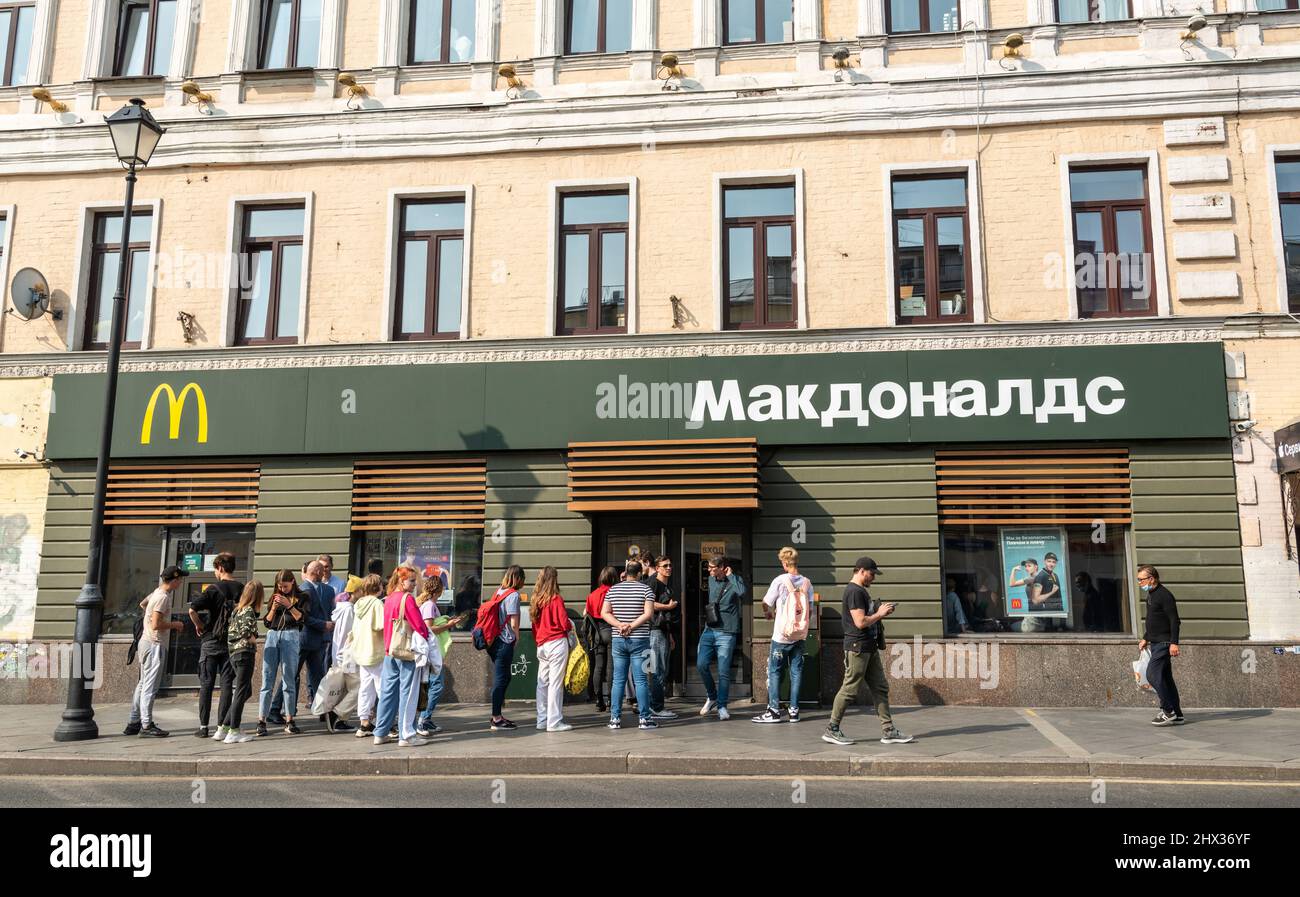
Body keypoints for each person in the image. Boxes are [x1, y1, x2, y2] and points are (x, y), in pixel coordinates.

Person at [823, 557, 914, 747]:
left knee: (880, 687)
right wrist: (879, 614)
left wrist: (879, 611)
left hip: (868, 647)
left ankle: (888, 730)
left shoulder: (860, 591)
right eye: (872, 574)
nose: (873, 577)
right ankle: (832, 729)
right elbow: (860, 622)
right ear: (862, 570)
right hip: (858, 648)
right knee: (850, 689)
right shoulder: (855, 592)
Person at [269, 560, 340, 730]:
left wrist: (327, 629)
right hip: (302, 638)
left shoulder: (328, 590)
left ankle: (324, 710)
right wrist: (324, 625)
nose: (324, 571)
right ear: (315, 571)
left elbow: (327, 612)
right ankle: (274, 709)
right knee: (291, 675)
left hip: (318, 640)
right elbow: (303, 617)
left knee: (319, 676)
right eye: (321, 569)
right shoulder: (302, 590)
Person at [124, 566, 189, 737]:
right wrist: (175, 624)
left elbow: (142, 604)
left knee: (142, 684)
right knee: (150, 687)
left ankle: (133, 722)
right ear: (174, 580)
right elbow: (156, 625)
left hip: (145, 642)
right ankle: (146, 725)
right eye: (180, 579)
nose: (181, 582)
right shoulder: (162, 598)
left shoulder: (156, 593)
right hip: (154, 644)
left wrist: (149, 617)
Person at [374, 565, 432, 747]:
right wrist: (427, 639)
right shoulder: (407, 599)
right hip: (406, 652)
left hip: (390, 650)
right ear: (401, 580)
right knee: (408, 693)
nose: (415, 585)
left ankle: (380, 733)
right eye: (412, 581)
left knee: (387, 694)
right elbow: (420, 626)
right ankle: (406, 736)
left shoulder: (389, 598)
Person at [753, 547, 811, 724]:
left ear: (785, 563)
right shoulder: (807, 583)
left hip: (781, 636)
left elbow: (766, 602)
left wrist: (768, 613)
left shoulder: (780, 580)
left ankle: (774, 711)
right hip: (799, 635)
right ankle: (794, 711)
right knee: (796, 672)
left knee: (775, 671)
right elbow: (810, 609)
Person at [189, 551, 241, 740]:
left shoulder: (212, 588)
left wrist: (199, 625)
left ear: (220, 567)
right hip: (231, 642)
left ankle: (203, 727)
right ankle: (222, 726)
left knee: (207, 684)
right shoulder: (241, 588)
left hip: (211, 640)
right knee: (227, 684)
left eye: (215, 569)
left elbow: (192, 610)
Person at [601, 561, 657, 730]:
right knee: (641, 680)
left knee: (618, 680)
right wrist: (631, 626)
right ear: (640, 573)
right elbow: (648, 614)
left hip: (618, 639)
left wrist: (619, 625)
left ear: (626, 572)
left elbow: (604, 612)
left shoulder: (613, 590)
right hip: (640, 639)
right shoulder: (646, 590)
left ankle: (615, 719)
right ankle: (644, 719)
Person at [257, 569, 309, 737]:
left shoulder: (302, 597)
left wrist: (289, 605)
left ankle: (289, 719)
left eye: (285, 586)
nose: (282, 589)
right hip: (273, 635)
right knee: (267, 679)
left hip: (291, 635)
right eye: (279, 586)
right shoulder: (275, 597)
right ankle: (261, 720)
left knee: (289, 679)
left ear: (292, 582)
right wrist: (273, 608)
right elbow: (267, 622)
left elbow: (302, 618)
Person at [415, 575, 466, 737]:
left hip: (430, 650)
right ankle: (423, 719)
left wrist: (447, 621)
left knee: (427, 685)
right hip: (430, 651)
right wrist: (449, 625)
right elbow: (429, 629)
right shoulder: (429, 605)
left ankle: (426, 718)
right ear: (438, 590)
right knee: (436, 686)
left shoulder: (428, 604)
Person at [697, 554, 745, 720]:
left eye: (712, 568)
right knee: (701, 664)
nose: (709, 570)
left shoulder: (735, 580)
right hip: (709, 629)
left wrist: (731, 576)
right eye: (708, 567)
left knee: (724, 671)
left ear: (723, 568)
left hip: (727, 631)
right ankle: (712, 696)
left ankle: (722, 706)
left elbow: (741, 592)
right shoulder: (711, 580)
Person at [219, 579, 264, 743]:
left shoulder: (237, 610)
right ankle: (234, 731)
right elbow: (246, 632)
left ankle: (224, 727)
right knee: (240, 692)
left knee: (246, 691)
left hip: (233, 654)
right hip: (244, 653)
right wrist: (254, 640)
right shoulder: (249, 611)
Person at [1138, 564, 1184, 726]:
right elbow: (1154, 620)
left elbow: (1174, 621)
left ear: (1152, 578)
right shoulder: (1151, 594)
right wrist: (1146, 638)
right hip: (1156, 642)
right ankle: (1177, 714)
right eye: (1138, 580)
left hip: (1165, 642)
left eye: (1141, 580)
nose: (1140, 583)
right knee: (1165, 678)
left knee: (1152, 674)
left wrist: (1174, 643)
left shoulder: (1165, 595)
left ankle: (1168, 710)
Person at [531, 565, 574, 732]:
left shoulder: (536, 599)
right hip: (556, 643)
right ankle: (554, 721)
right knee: (556, 684)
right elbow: (564, 623)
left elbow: (535, 626)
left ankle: (542, 719)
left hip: (542, 644)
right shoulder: (556, 599)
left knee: (542, 683)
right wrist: (570, 626)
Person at [349, 574, 387, 738]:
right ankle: (386, 723)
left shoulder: (359, 604)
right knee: (382, 688)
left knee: (365, 688)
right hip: (376, 651)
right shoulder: (377, 604)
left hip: (361, 651)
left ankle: (364, 723)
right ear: (378, 587)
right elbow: (380, 626)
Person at [487, 566, 524, 731]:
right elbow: (514, 622)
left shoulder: (498, 592)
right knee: (501, 679)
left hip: (493, 641)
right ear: (518, 579)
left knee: (504, 677)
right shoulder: (513, 595)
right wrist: (517, 637)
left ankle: (498, 715)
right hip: (504, 641)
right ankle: (496, 718)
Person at [646, 554, 679, 720]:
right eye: (665, 565)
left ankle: (651, 705)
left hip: (664, 631)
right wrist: (667, 606)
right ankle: (656, 707)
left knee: (660, 669)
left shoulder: (667, 586)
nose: (668, 568)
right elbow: (648, 603)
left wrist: (671, 635)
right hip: (655, 631)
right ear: (657, 568)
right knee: (657, 669)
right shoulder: (653, 582)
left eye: (670, 565)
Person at [583, 566, 617, 713]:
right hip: (611, 630)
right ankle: (610, 699)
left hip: (597, 633)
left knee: (598, 667)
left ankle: (599, 700)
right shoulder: (613, 592)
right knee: (611, 668)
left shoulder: (592, 595)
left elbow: (586, 613)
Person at [1009, 558, 1045, 633]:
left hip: (1033, 621)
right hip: (1038, 618)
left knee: (1011, 626)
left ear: (1036, 567)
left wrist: (1013, 570)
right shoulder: (1040, 577)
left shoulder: (1031, 578)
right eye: (1025, 566)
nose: (1026, 568)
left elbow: (1012, 584)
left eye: (1029, 566)